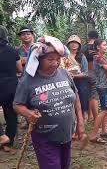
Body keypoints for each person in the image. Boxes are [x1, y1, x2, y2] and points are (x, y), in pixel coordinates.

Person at [13, 35, 85, 169]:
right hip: (44, 137)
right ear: (39, 60)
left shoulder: (64, 74)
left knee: (64, 166)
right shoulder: (28, 80)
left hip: (66, 134)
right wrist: (28, 113)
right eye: (50, 59)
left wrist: (80, 122)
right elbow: (17, 105)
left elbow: (76, 98)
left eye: (58, 59)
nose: (55, 63)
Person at [0, 25, 23, 151]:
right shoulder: (13, 51)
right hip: (11, 87)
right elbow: (19, 69)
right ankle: (9, 142)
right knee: (11, 115)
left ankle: (1, 136)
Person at [62, 35, 89, 123]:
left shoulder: (82, 57)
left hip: (80, 82)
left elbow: (86, 72)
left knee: (82, 99)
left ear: (79, 45)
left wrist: (74, 75)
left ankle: (83, 116)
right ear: (68, 44)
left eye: (75, 43)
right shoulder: (64, 56)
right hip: (67, 82)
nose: (73, 45)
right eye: (72, 43)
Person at [81, 31, 99, 121]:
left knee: (88, 94)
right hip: (94, 72)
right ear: (97, 37)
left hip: (84, 73)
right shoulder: (96, 48)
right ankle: (96, 118)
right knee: (94, 96)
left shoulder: (83, 48)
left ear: (89, 37)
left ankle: (90, 115)